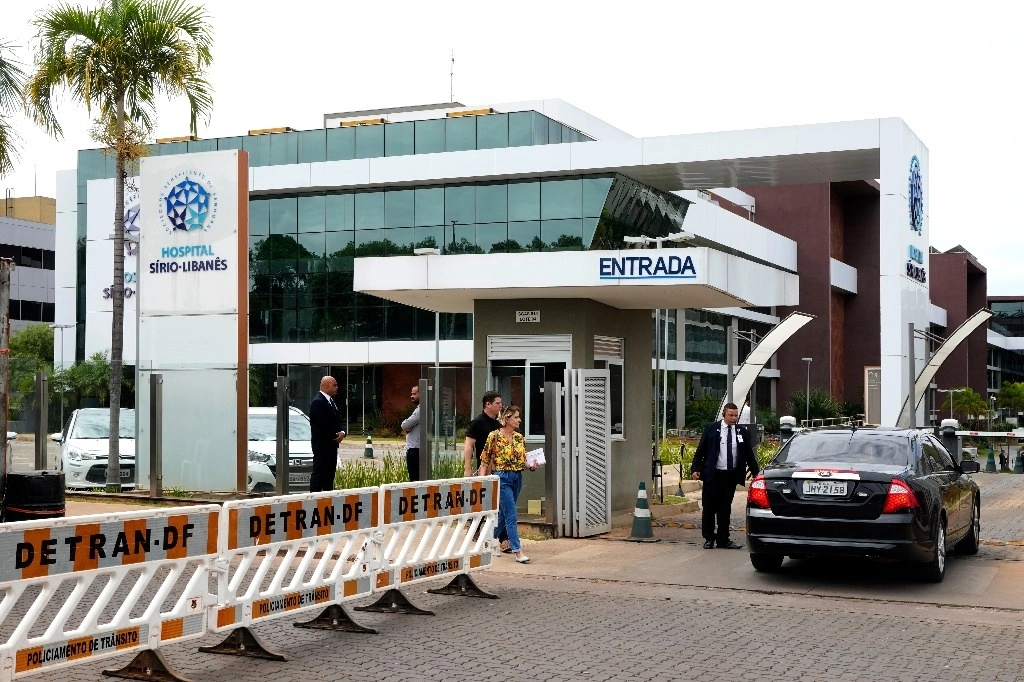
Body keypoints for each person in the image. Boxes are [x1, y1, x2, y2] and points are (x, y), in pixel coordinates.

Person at [690, 402, 759, 549]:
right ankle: (709, 538)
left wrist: (756, 474)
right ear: (724, 415)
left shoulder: (742, 432)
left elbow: (749, 455)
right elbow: (701, 450)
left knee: (725, 508)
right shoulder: (712, 429)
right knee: (709, 508)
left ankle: (723, 539)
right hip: (713, 475)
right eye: (730, 415)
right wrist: (695, 468)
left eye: (736, 415)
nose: (734, 418)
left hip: (730, 477)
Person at [479, 405, 538, 563]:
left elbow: (524, 461)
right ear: (507, 419)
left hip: (517, 477)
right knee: (511, 513)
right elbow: (484, 462)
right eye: (516, 417)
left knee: (505, 514)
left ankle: (488, 539)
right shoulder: (494, 436)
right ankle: (518, 551)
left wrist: (532, 465)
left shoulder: (519, 437)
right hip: (502, 477)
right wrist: (481, 482)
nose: (519, 420)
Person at [309, 375, 346, 492]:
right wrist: (335, 435)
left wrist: (342, 432)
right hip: (322, 446)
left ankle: (328, 500)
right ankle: (313, 500)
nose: (337, 388)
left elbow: (337, 420)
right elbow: (323, 425)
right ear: (327, 386)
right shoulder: (318, 402)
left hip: (332, 445)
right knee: (319, 475)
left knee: (329, 476)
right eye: (334, 385)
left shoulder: (331, 401)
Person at [463, 391, 503, 477]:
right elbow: (468, 444)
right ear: (488, 404)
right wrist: (468, 468)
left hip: (500, 467)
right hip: (484, 467)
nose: (500, 405)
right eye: (497, 403)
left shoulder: (499, 422)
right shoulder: (478, 422)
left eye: (501, 403)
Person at [401, 385, 421, 481]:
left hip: (415, 450)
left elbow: (405, 425)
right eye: (411, 394)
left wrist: (405, 425)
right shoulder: (423, 408)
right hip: (417, 448)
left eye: (414, 394)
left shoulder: (421, 410)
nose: (411, 396)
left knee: (414, 479)